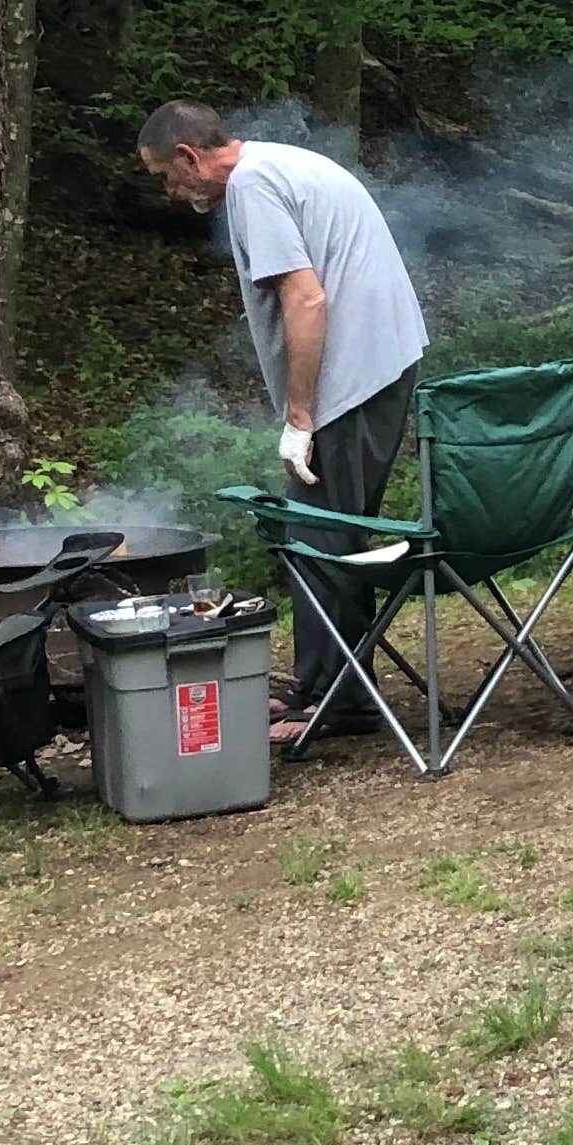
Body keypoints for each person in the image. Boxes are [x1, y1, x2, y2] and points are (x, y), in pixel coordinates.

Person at [137, 101, 430, 739]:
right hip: (376, 364)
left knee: (319, 536)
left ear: (189, 157)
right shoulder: (275, 164)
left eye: (166, 175)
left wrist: (300, 415)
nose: (168, 191)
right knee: (329, 534)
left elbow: (306, 297)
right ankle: (326, 688)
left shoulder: (252, 186)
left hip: (357, 377)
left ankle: (336, 700)